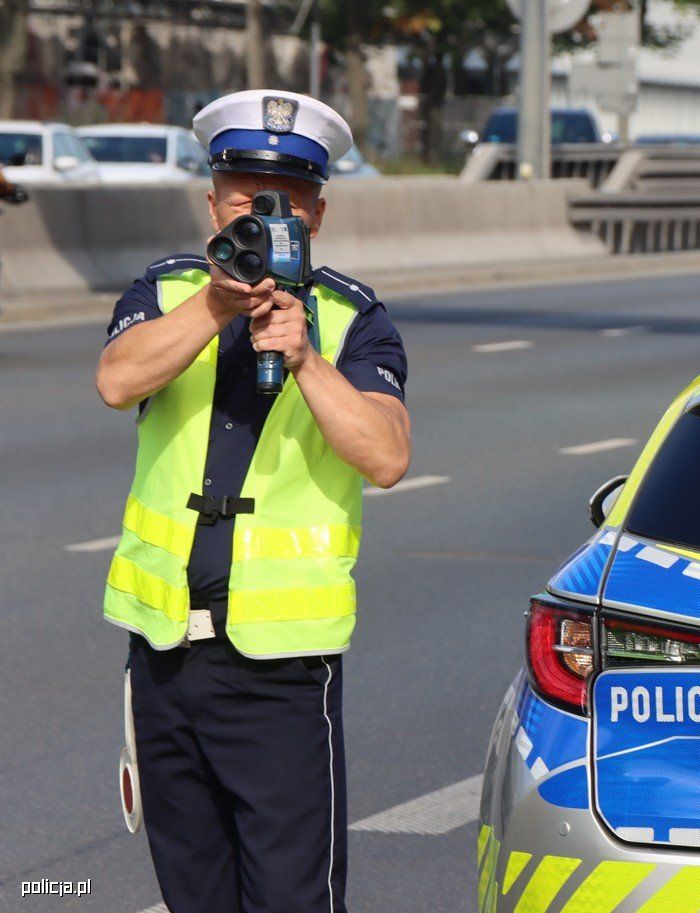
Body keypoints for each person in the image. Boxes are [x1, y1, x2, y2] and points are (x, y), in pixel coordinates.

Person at [95, 89, 410, 913]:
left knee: (289, 901)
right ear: (212, 206)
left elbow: (387, 456)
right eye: (246, 201)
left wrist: (307, 360)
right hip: (164, 655)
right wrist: (213, 304)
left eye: (289, 205)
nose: (267, 221)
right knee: (193, 896)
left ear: (319, 213)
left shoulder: (352, 319)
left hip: (279, 673)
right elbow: (115, 379)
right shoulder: (166, 293)